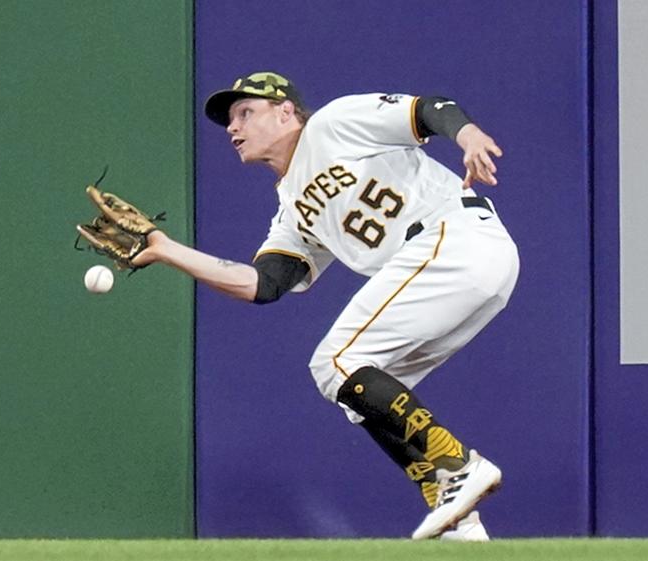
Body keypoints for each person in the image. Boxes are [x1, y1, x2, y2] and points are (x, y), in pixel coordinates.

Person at [131, 71, 519, 540]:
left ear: (285, 110)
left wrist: (468, 133)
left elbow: (427, 109)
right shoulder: (291, 212)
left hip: (455, 237)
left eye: (245, 112)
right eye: (229, 120)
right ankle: (457, 518)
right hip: (466, 268)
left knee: (334, 360)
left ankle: (457, 464)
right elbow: (261, 284)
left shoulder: (332, 125)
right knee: (362, 393)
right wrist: (166, 248)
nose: (233, 128)